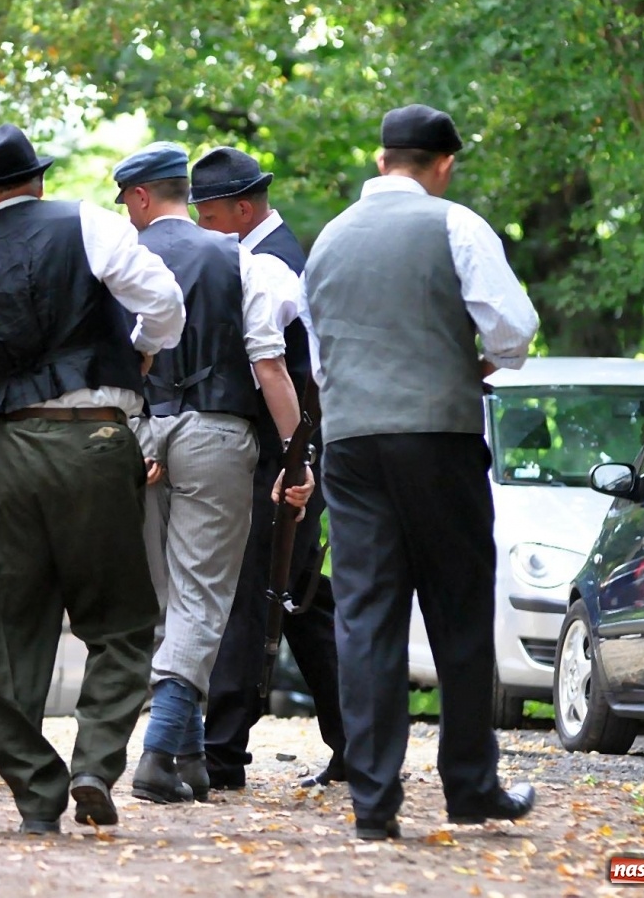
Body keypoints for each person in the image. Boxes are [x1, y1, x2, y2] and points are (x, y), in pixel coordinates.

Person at [0, 123, 184, 834]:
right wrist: (139, 354)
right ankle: (94, 763)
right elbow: (164, 300)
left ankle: (37, 796)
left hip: (9, 446)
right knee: (122, 621)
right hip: (97, 438)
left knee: (13, 628)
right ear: (38, 180)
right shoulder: (88, 222)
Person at [304, 104, 540, 840]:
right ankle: (470, 786)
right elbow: (514, 328)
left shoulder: (327, 241)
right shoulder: (455, 224)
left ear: (382, 162)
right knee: (459, 609)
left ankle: (373, 803)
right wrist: (469, 364)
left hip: (350, 443)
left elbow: (319, 358)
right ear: (443, 164)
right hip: (436, 434)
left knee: (366, 615)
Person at [112, 143, 310, 805]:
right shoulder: (247, 264)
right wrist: (296, 454)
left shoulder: (123, 265)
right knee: (201, 596)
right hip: (216, 433)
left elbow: (124, 358)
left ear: (145, 197)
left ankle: (190, 754)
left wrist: (136, 429)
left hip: (143, 436)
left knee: (170, 595)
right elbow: (271, 367)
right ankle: (162, 746)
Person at [192, 147, 347, 791]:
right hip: (286, 451)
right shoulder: (265, 252)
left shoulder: (274, 261)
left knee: (255, 591)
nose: (199, 227)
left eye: (207, 213)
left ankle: (223, 748)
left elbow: (296, 373)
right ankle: (358, 738)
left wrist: (295, 459)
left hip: (280, 454)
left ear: (241, 208)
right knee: (301, 600)